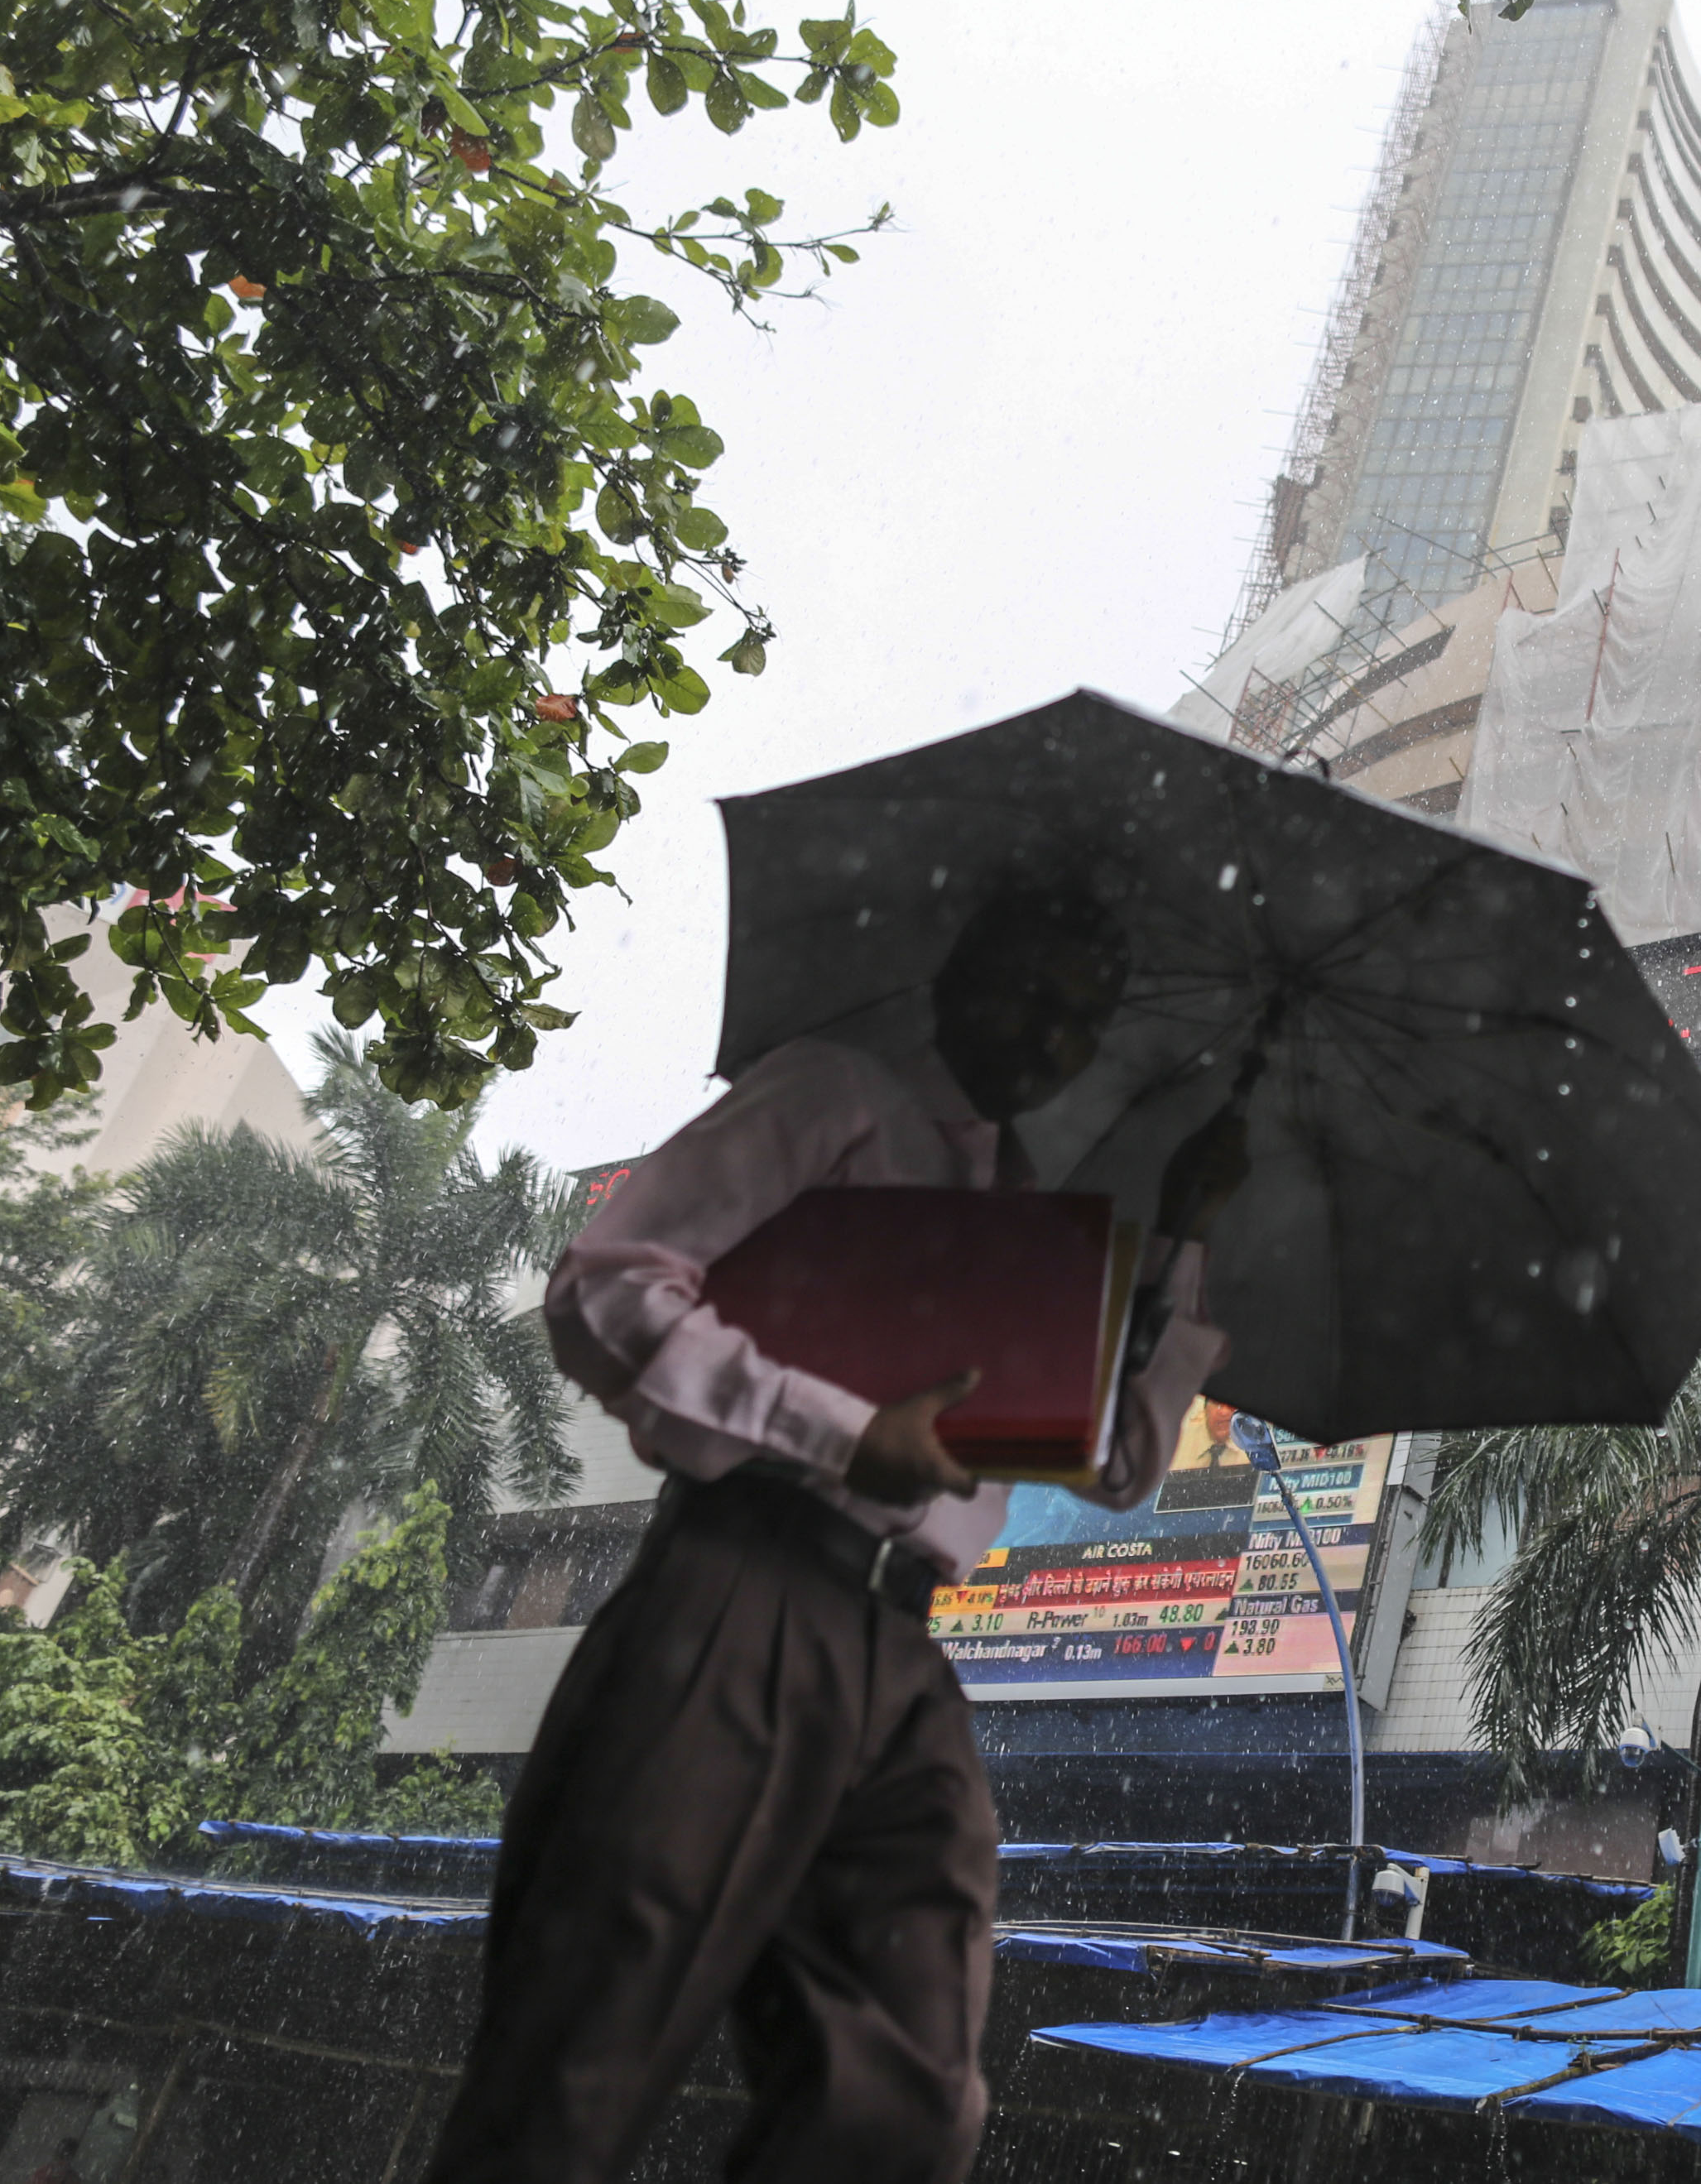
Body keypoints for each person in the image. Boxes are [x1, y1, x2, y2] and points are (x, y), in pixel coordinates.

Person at [422, 881, 1236, 2184]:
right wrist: (836, 1432)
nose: (1048, 1039)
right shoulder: (832, 1095)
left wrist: (1190, 1233)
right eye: (1032, 990)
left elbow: (1121, 1463)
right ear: (960, 971)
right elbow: (608, 1286)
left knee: (907, 2102)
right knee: (580, 2066)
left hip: (906, 1658)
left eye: (1083, 1020)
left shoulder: (1027, 1214)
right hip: (743, 1592)